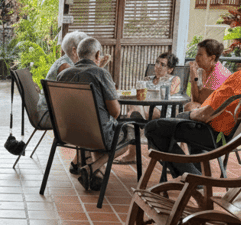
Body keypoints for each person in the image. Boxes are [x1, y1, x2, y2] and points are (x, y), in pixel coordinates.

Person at [144, 33, 241, 178]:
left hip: (215, 134)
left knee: (153, 128)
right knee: (179, 121)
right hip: (234, 133)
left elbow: (205, 115)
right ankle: (195, 174)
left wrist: (192, 114)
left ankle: (192, 176)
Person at [57, 37, 126, 184]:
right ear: (97, 55)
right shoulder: (100, 73)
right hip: (96, 136)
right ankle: (94, 167)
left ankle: (96, 174)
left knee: (98, 127)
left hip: (68, 134)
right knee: (129, 133)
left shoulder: (63, 75)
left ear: (79, 54)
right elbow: (115, 112)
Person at [115, 52, 180, 164]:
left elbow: (171, 91)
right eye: (157, 63)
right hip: (145, 110)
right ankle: (135, 119)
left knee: (133, 116)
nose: (158, 66)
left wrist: (161, 80)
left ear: (170, 69)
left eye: (163, 65)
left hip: (162, 111)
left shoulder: (174, 79)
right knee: (135, 103)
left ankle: (131, 149)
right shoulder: (147, 80)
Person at [35, 31, 89, 125]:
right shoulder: (66, 66)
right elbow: (74, 97)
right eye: (85, 49)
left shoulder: (67, 61)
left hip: (51, 111)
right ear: (74, 51)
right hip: (48, 115)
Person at [185, 38, 231, 112]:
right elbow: (194, 99)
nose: (196, 58)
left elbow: (197, 100)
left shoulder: (218, 74)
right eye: (197, 54)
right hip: (209, 111)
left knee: (189, 107)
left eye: (200, 55)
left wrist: (193, 76)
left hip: (219, 114)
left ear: (212, 58)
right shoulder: (204, 70)